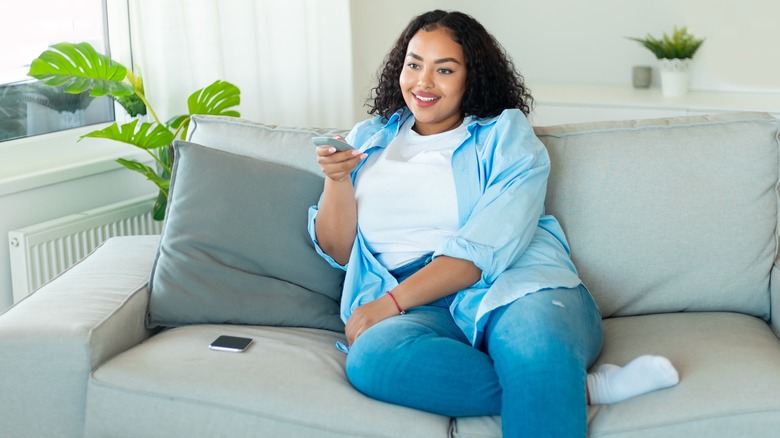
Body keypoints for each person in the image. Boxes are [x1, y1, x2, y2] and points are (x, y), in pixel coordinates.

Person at [308, 9, 678, 437]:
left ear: (472, 77)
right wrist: (336, 181)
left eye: (444, 69)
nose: (423, 82)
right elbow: (338, 251)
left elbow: (482, 250)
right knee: (374, 360)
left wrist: (387, 305)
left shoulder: (506, 134)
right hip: (415, 305)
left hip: (512, 283)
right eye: (414, 64)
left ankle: (548, 378)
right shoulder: (367, 137)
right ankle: (580, 388)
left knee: (534, 350)